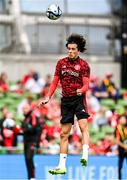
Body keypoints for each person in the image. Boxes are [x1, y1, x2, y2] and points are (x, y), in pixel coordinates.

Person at [39, 34, 90, 175]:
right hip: (66, 101)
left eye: (73, 49)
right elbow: (55, 82)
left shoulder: (84, 65)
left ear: (78, 50)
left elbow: (86, 84)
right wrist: (48, 97)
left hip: (79, 99)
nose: (70, 51)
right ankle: (62, 166)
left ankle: (85, 154)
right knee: (63, 134)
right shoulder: (61, 63)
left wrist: (81, 90)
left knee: (83, 126)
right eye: (69, 49)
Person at [22, 104, 43, 180]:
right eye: (23, 108)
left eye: (26, 108)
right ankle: (29, 177)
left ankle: (32, 177)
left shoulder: (32, 116)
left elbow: (35, 128)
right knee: (27, 159)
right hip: (26, 142)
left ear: (29, 108)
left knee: (29, 158)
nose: (24, 110)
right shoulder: (25, 118)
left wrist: (37, 143)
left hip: (32, 141)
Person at [115, 114, 127, 180]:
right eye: (122, 119)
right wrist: (124, 146)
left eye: (124, 119)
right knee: (120, 164)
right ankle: (119, 178)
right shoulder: (117, 128)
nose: (123, 120)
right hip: (121, 149)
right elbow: (117, 140)